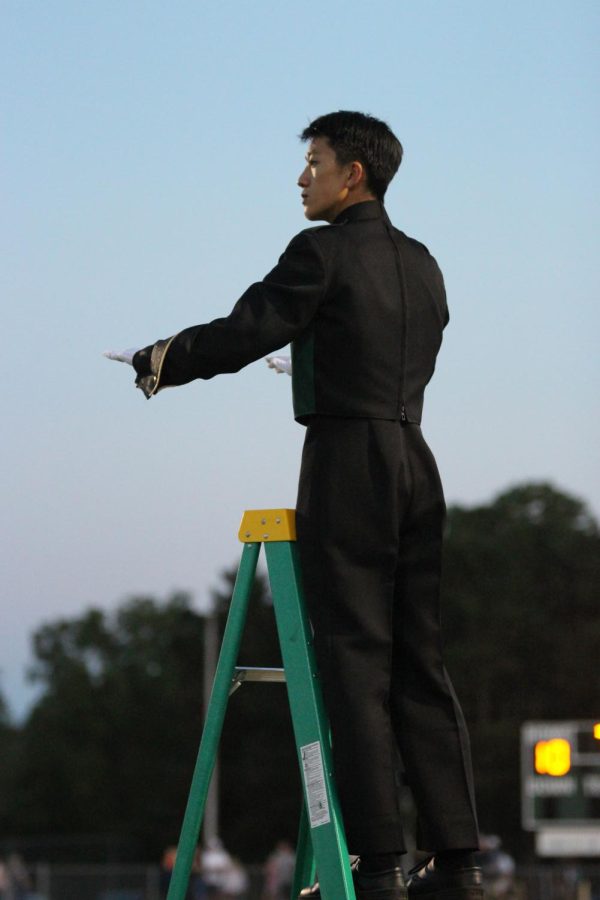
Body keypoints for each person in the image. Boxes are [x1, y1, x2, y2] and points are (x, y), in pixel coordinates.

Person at [107, 110, 482, 900]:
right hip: (417, 458)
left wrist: (160, 360)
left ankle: (377, 866)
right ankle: (458, 862)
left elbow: (251, 329)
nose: (301, 177)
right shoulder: (423, 264)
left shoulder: (322, 250)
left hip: (348, 460)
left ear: (354, 174)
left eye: (314, 162)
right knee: (422, 662)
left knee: (353, 660)